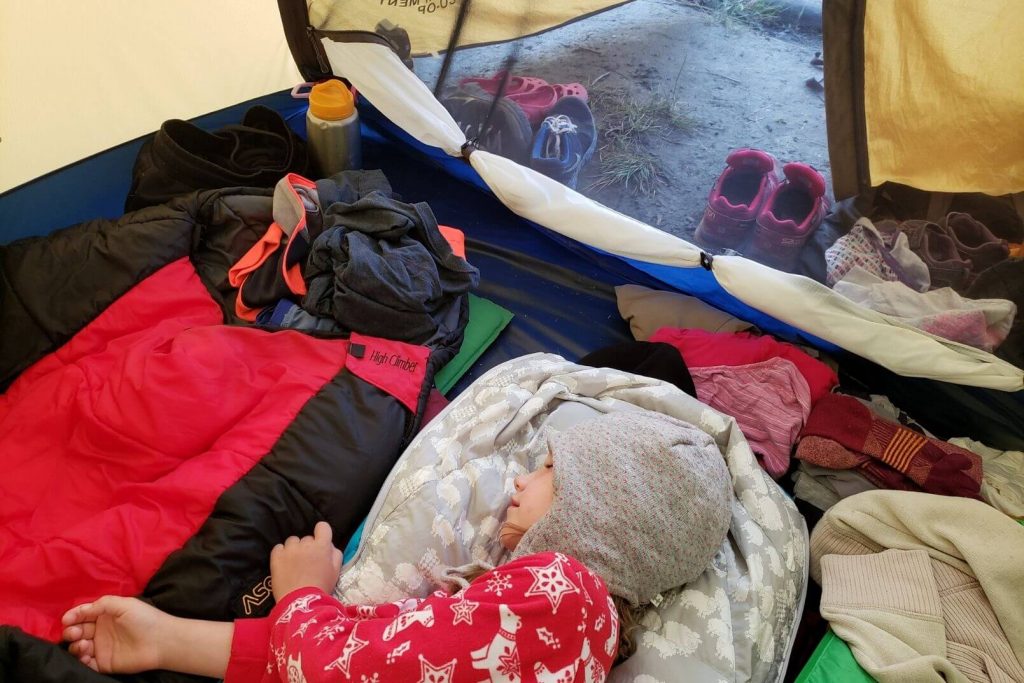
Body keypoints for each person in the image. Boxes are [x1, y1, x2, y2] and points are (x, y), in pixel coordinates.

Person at [61, 411, 733, 682]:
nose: (522, 477)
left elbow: (332, 670)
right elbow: (371, 656)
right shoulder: (573, 633)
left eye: (551, 471)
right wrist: (167, 639)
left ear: (604, 515)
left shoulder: (564, 597)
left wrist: (300, 593)